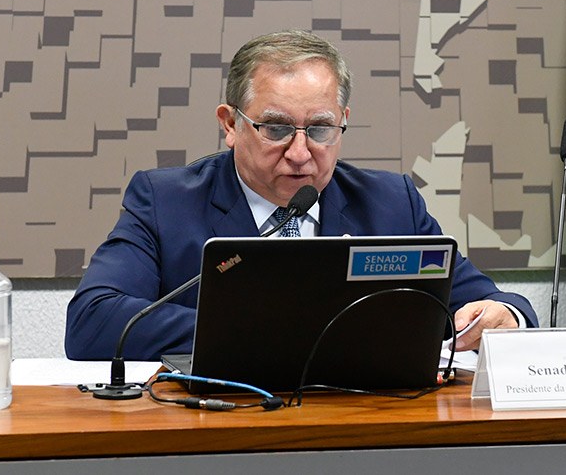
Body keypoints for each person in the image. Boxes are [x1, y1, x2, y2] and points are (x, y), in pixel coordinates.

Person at [65, 30, 538, 361]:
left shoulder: (390, 203)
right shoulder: (166, 202)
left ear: (343, 121)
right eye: (275, 128)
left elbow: (493, 301)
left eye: (320, 129)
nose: (299, 152)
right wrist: (276, 330)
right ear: (230, 124)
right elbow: (92, 321)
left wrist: (505, 316)